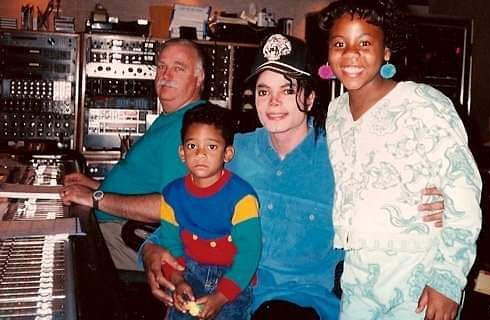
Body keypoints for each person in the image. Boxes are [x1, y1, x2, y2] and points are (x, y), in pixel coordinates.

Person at [141, 33, 446, 319]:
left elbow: (401, 208)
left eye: (288, 90)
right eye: (264, 91)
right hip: (221, 292)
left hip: (294, 302)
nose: (274, 102)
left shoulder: (341, 158)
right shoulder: (233, 152)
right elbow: (184, 208)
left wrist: (429, 218)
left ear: (311, 98)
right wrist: (152, 249)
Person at [319, 0, 482, 320]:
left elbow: (463, 190)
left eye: (365, 43)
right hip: (359, 275)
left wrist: (447, 279)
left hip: (419, 272)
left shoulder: (422, 103)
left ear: (387, 51)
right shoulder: (335, 112)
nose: (351, 54)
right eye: (340, 44)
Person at [60, 38, 206, 270]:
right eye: (161, 66)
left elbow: (170, 206)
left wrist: (95, 198)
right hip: (114, 223)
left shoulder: (191, 126)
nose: (165, 75)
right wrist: (96, 186)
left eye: (178, 68)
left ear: (199, 78)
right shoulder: (171, 117)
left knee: (55, 257)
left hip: (126, 236)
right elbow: (148, 184)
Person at [160, 102, 261, 319]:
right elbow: (171, 245)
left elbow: (249, 254)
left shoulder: (242, 197)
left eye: (212, 147)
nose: (200, 154)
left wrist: (222, 296)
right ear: (182, 152)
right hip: (189, 275)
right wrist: (178, 282)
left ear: (228, 153)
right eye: (192, 146)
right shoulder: (171, 195)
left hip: (233, 281)